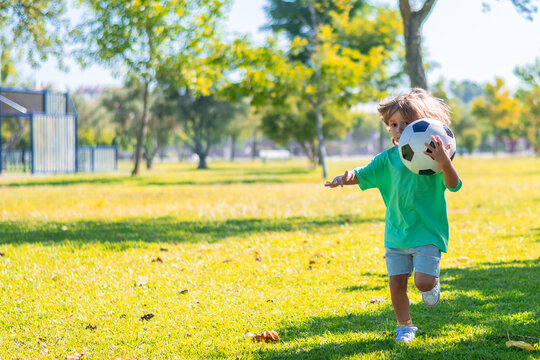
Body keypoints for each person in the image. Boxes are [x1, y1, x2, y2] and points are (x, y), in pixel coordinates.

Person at [325, 88, 462, 343]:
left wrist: (444, 162)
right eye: (393, 124)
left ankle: (431, 283)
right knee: (396, 283)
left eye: (406, 124)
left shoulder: (435, 160)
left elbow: (454, 184)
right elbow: (362, 173)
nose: (399, 130)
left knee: (421, 283)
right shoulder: (387, 160)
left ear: (423, 123)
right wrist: (344, 178)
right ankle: (405, 326)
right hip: (396, 234)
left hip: (427, 232)